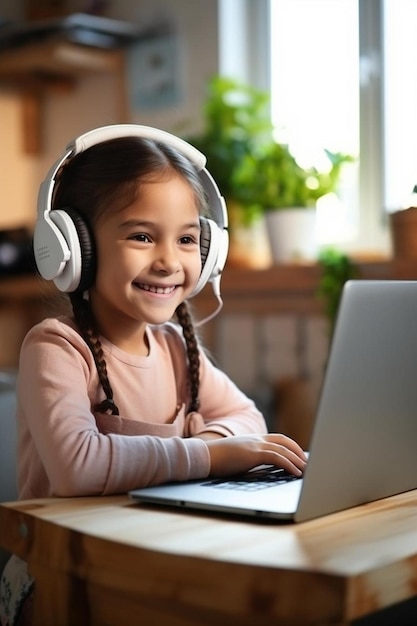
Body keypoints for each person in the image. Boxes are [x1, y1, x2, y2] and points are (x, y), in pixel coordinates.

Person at [0, 125, 306, 625]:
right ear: (74, 246)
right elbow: (79, 467)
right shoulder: (56, 347)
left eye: (187, 238)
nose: (168, 260)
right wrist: (210, 455)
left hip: (145, 549)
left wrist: (219, 438)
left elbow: (245, 415)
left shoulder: (175, 347)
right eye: (142, 236)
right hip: (57, 573)